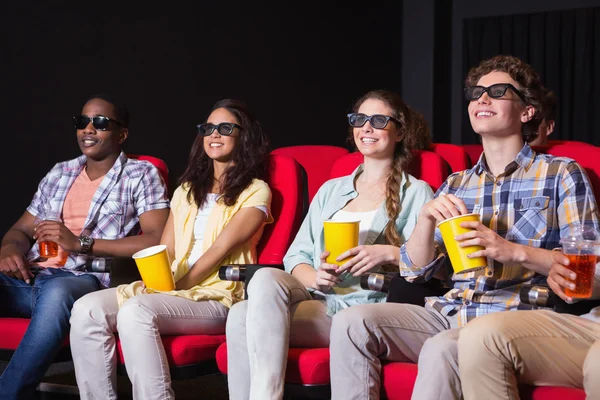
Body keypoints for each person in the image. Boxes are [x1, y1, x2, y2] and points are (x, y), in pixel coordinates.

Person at [327, 55, 599, 400]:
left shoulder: (560, 173)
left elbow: (588, 268)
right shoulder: (457, 184)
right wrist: (426, 219)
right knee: (353, 322)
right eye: (476, 93)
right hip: (451, 311)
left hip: (517, 314)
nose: (482, 99)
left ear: (527, 111)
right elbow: (414, 271)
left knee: (443, 349)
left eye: (498, 91)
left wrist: (511, 250)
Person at [226, 89, 435, 400]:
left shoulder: (417, 193)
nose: (366, 128)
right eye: (360, 120)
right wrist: (315, 277)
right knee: (257, 289)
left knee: (243, 316)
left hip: (367, 306)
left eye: (378, 120)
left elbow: (428, 264)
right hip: (321, 299)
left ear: (399, 131)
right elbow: (296, 253)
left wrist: (389, 252)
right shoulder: (331, 189)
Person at [69, 99, 273, 400]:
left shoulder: (256, 190)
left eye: (225, 128)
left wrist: (176, 286)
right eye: (208, 128)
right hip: (171, 287)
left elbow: (220, 249)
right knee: (86, 309)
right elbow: (167, 249)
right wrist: (157, 281)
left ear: (244, 136)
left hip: (216, 295)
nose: (214, 135)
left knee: (135, 312)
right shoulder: (187, 190)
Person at [0, 94, 170, 399]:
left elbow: (157, 238)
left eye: (100, 123)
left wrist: (81, 244)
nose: (88, 129)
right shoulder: (60, 173)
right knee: (47, 295)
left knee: (57, 293)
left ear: (122, 133)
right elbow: (20, 230)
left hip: (84, 280)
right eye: (82, 122)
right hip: (31, 278)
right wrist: (9, 249)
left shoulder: (141, 174)